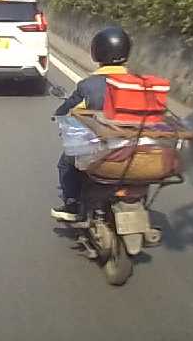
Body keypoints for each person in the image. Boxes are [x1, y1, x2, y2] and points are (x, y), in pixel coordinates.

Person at [50, 26, 132, 222]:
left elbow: (68, 109)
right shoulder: (139, 83)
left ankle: (71, 204)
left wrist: (58, 114)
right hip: (136, 147)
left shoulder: (89, 85)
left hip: (101, 148)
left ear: (97, 52)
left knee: (66, 162)